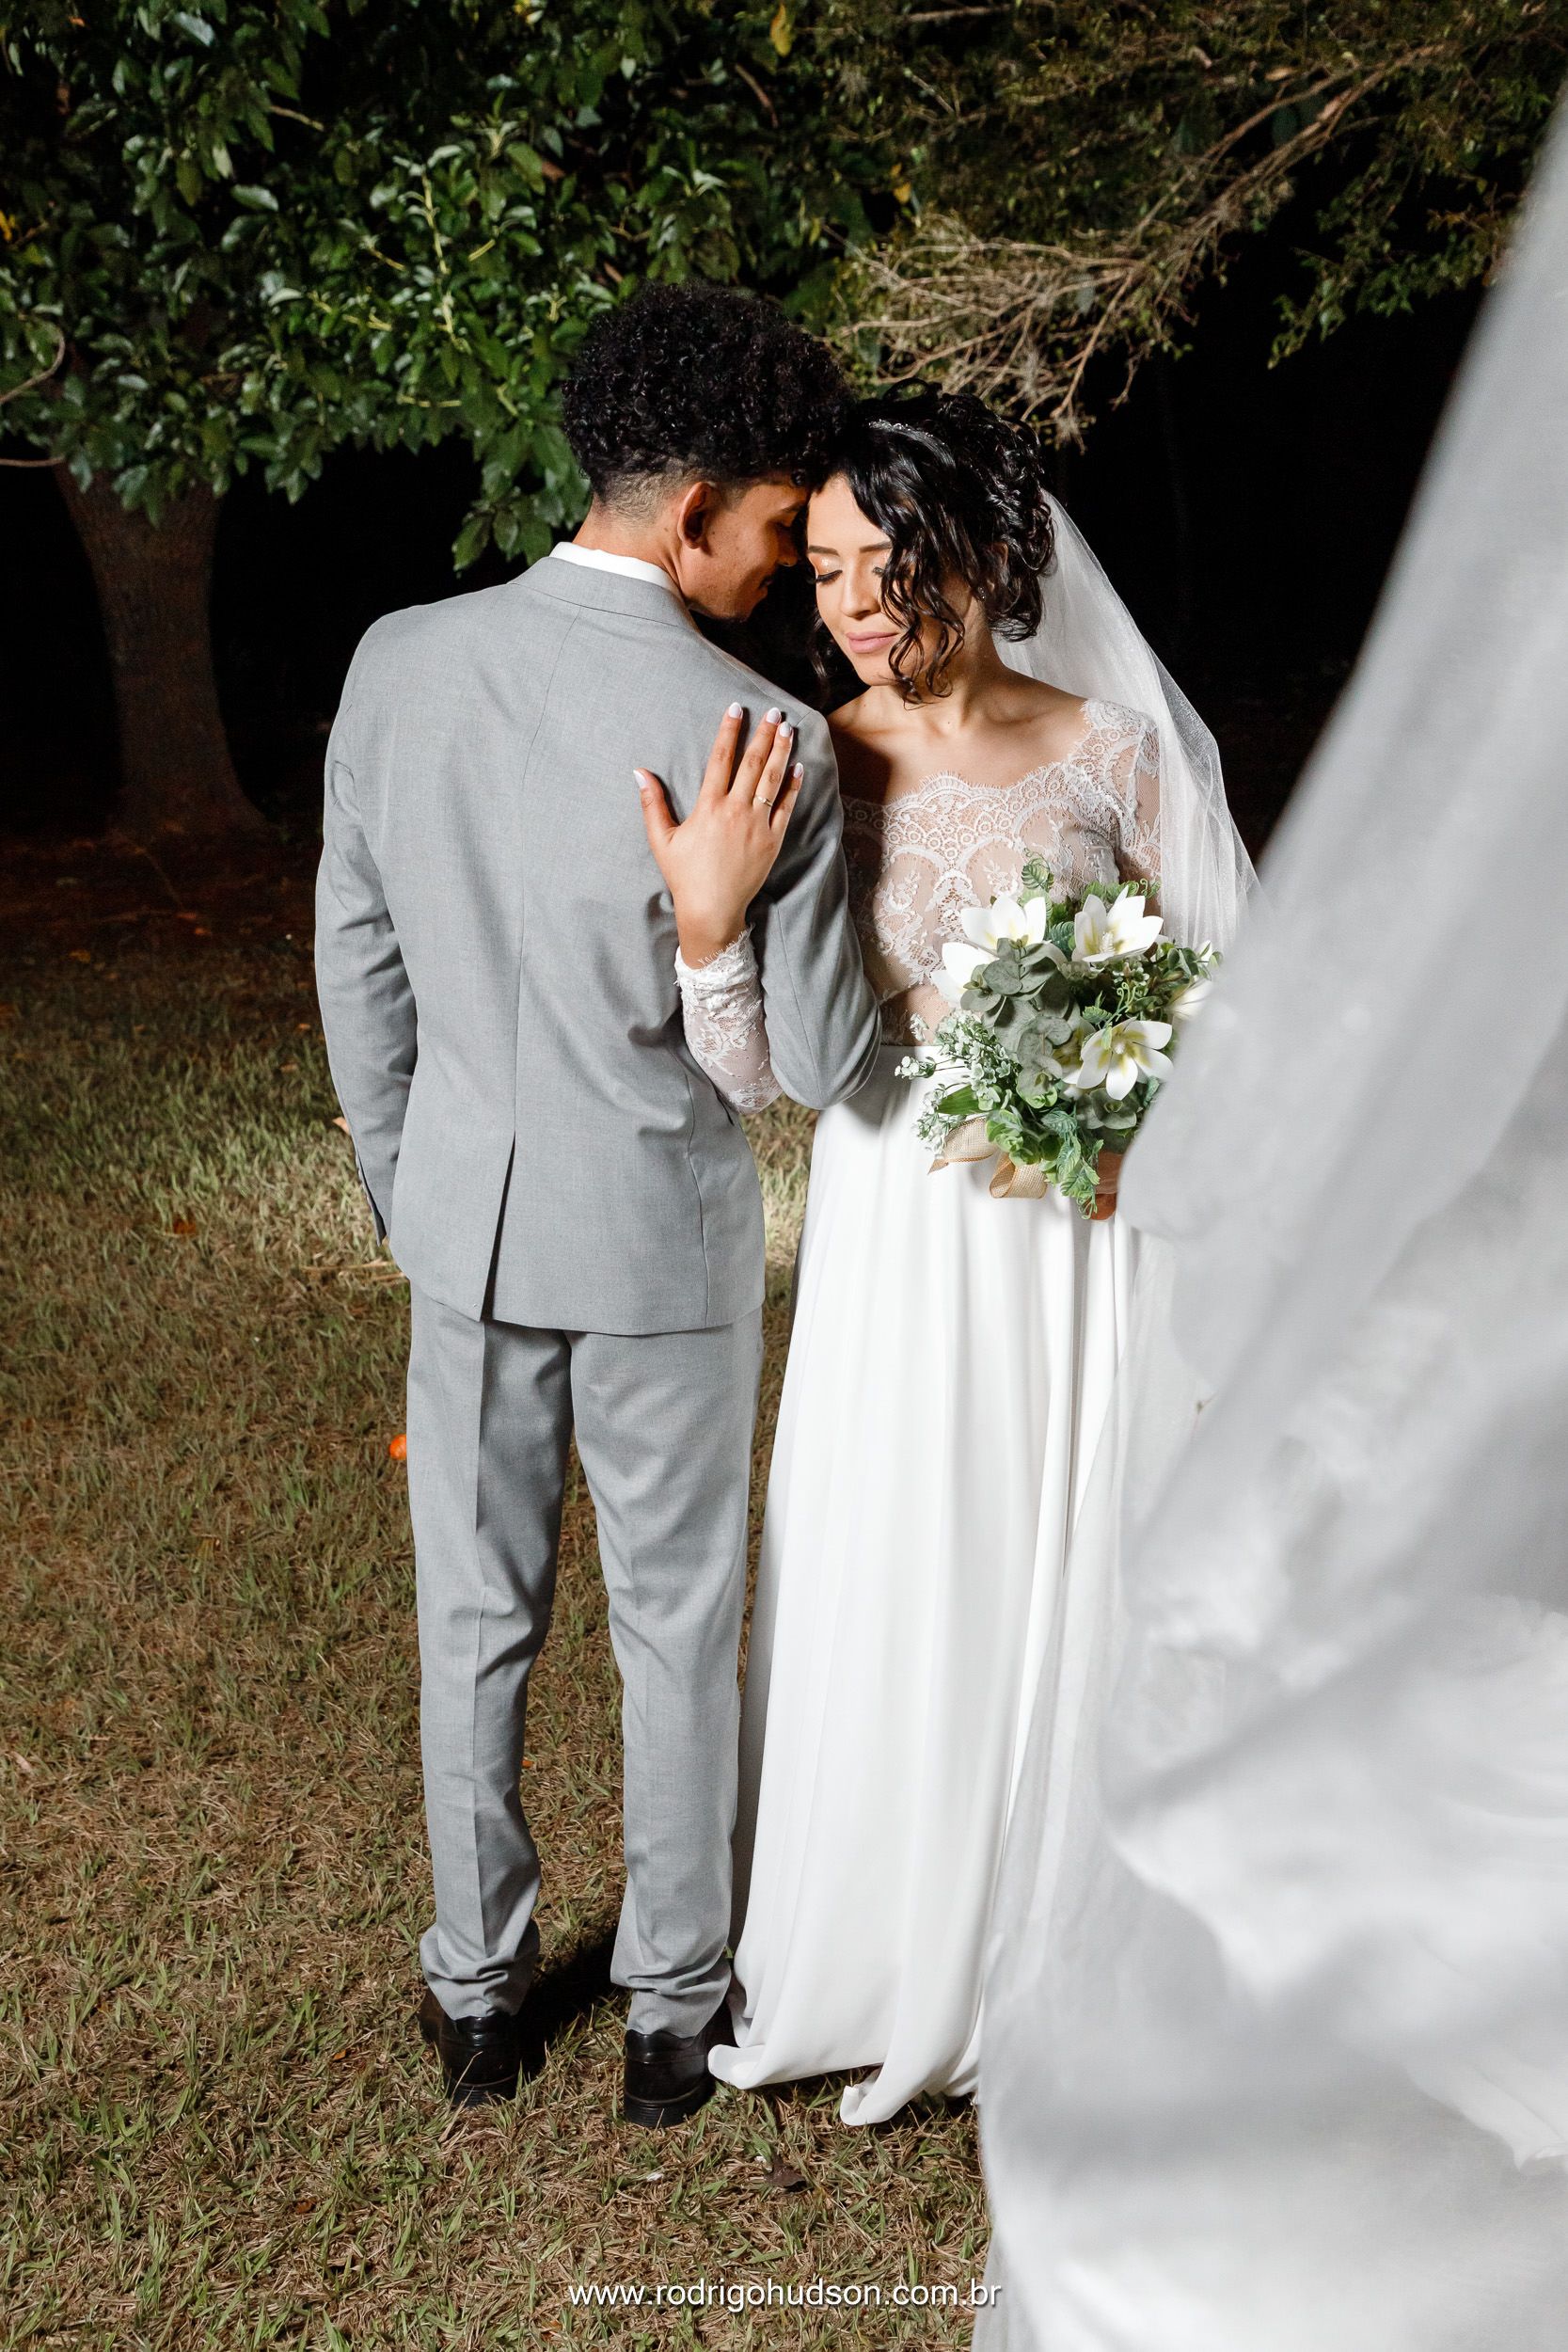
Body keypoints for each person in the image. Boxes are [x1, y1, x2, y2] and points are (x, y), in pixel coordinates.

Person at [975, 100, 1568, 2352]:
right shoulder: (842, 759)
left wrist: (1109, 1077)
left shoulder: (1116, 750)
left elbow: (1214, 950)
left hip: (1100, 1162)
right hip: (949, 1207)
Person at [635, 389, 1248, 2123]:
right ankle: (891, 1948)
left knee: (1076, 1570)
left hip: (1079, 1255)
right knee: (906, 1552)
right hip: (901, 1238)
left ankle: (1080, 1945)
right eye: (818, 569)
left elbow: (1230, 1011)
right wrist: (704, 930)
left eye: (876, 564)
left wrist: (1139, 1127)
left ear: (975, 553)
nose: (843, 604)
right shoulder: (808, 758)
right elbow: (762, 1074)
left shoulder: (1119, 753)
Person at [313, 285, 880, 2123]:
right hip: (657, 1235)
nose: (786, 569)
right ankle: (668, 2015)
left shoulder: (400, 657)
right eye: (784, 528)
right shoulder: (766, 731)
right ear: (697, 502)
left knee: (471, 1618)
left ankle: (478, 1994)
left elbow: (358, 956)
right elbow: (788, 1061)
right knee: (672, 1621)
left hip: (465, 1223)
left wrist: (414, 1181)